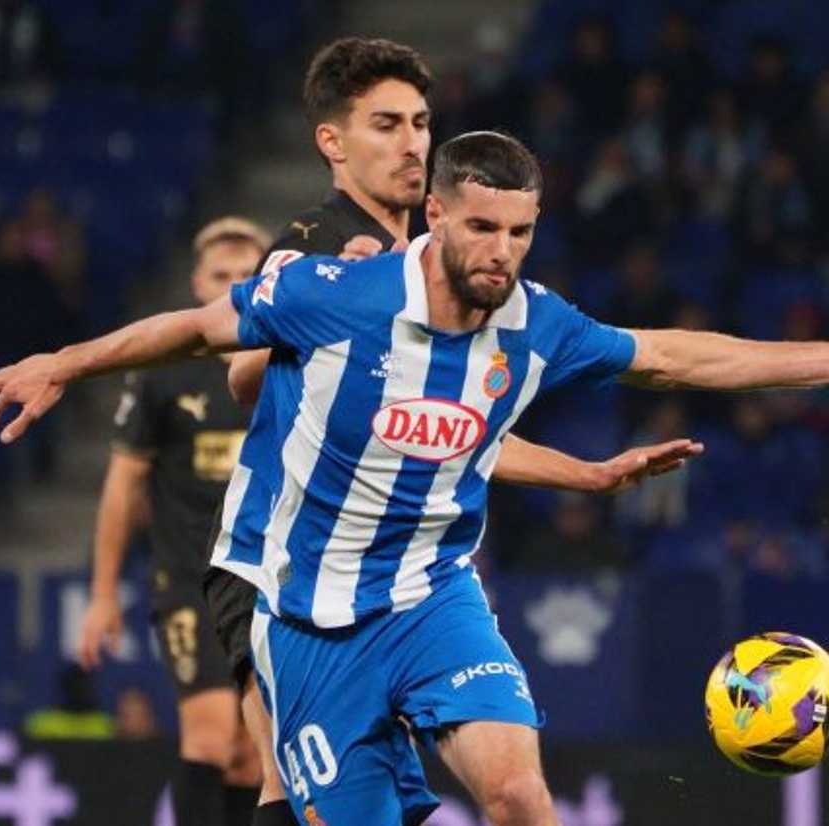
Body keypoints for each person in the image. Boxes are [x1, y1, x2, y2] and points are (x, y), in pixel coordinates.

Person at [0, 131, 829, 825]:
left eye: (520, 233)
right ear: (434, 214)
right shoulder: (335, 295)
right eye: (483, 228)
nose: (502, 254)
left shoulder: (537, 322)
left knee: (520, 795)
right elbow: (194, 329)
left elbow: (674, 357)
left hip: (436, 599)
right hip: (310, 619)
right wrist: (63, 362)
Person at [215, 37, 701, 826]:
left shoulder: (441, 258)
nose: (411, 142)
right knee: (276, 779)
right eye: (387, 124)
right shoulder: (320, 243)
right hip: (283, 559)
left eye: (420, 122)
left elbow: (449, 432)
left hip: (403, 569)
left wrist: (582, 474)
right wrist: (322, 323)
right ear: (333, 144)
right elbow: (244, 379)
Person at [78, 217, 270, 826]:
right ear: (196, 282)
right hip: (189, 582)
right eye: (222, 276)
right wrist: (103, 594)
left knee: (253, 757)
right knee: (213, 736)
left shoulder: (293, 361)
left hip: (270, 586)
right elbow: (122, 485)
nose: (234, 286)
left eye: (247, 275)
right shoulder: (164, 367)